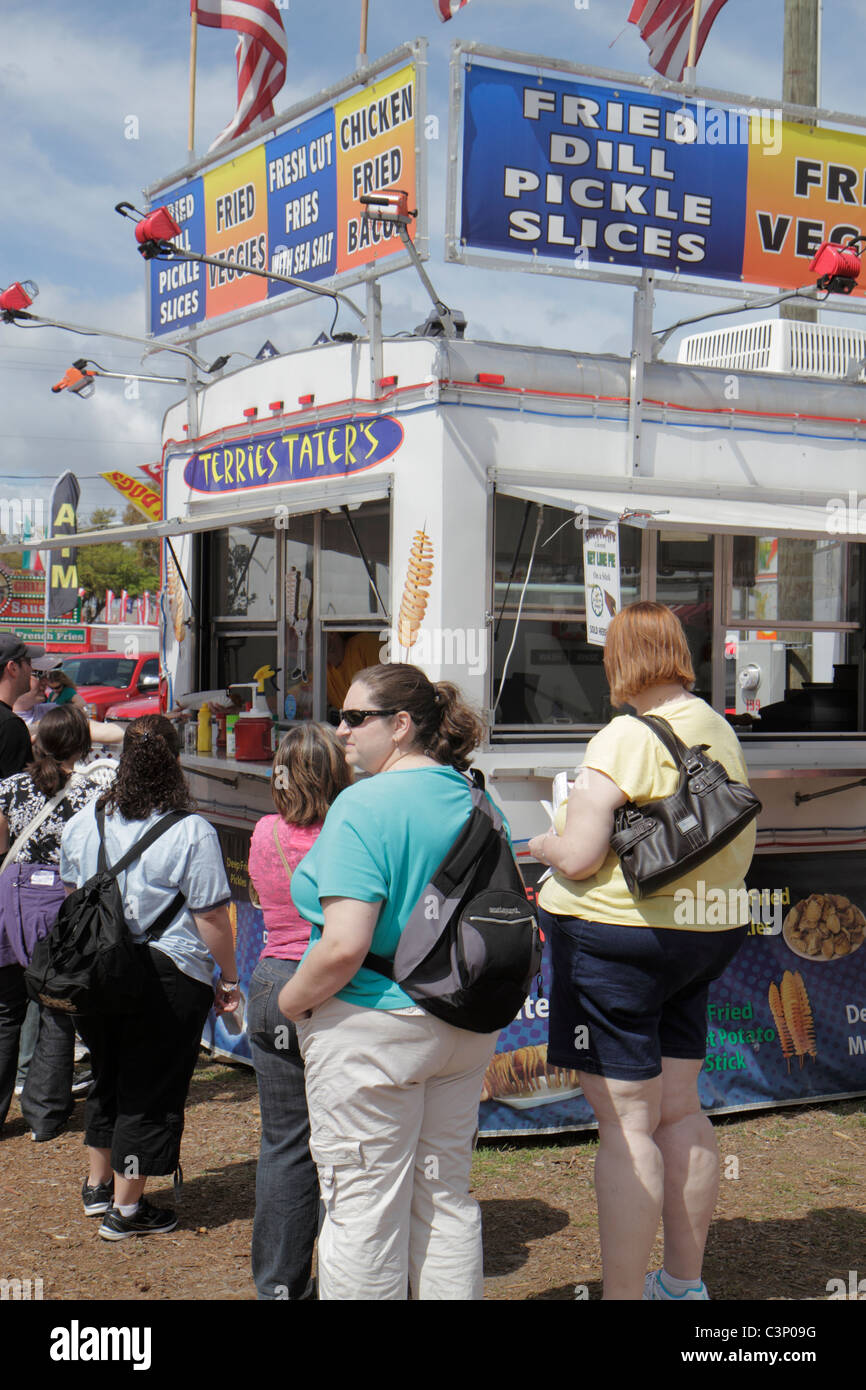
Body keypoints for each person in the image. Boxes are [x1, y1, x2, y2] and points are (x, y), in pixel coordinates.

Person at [528, 602, 756, 1302]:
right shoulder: (716, 726)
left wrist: (539, 843)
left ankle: (624, 1294)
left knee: (627, 1126)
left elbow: (581, 853)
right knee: (681, 1109)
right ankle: (682, 1286)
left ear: (620, 660)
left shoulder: (622, 736)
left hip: (618, 941)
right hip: (704, 935)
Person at [278, 663, 501, 1301]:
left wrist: (290, 1004)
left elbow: (344, 945)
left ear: (400, 726)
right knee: (444, 1198)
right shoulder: (476, 798)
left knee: (364, 1212)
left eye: (354, 717)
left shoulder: (363, 804)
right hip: (460, 1026)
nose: (339, 730)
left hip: (373, 1027)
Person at [59, 715, 239, 1239]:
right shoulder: (191, 831)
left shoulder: (86, 819)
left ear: (123, 763)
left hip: (96, 973)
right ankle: (128, 1210)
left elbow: (76, 894)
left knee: (109, 1075)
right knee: (150, 1087)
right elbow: (210, 916)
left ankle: (99, 1186)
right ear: (177, 762)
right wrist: (227, 978)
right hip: (167, 972)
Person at [247, 723, 352, 1300]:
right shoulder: (347, 832)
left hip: (270, 981)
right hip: (328, 985)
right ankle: (341, 1276)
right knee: (342, 1145)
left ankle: (279, 1287)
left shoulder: (266, 831)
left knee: (283, 1144)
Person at [0, 706, 106, 1139]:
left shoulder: (9, 787)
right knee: (56, 1008)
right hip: (61, 902)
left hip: (11, 903)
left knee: (5, 1010)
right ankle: (44, 1113)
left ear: (36, 742)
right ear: (83, 747)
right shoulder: (92, 794)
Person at [0, 635, 47, 778]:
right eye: (28, 662)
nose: (31, 669)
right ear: (13, 668)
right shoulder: (10, 726)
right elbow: (19, 794)